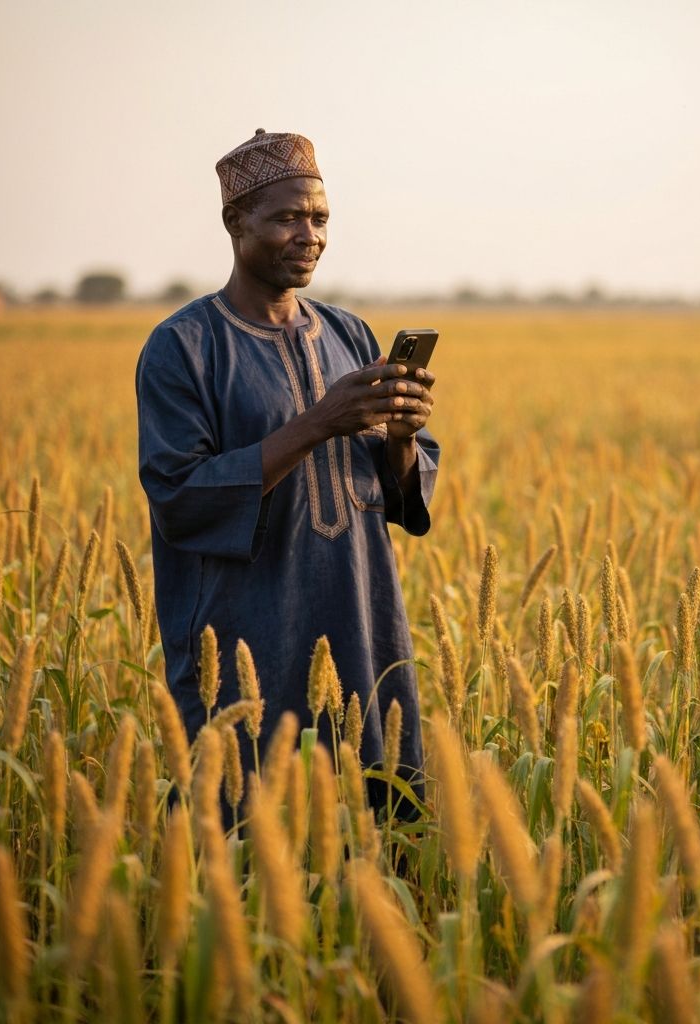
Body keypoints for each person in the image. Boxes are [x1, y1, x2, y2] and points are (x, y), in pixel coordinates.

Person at [135, 129, 439, 809]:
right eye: (286, 217)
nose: (309, 234)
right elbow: (180, 496)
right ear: (235, 223)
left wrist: (401, 436)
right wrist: (318, 423)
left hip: (361, 619)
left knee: (373, 815)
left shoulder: (348, 333)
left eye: (320, 217)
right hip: (247, 635)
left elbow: (394, 493)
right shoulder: (183, 346)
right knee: (248, 829)